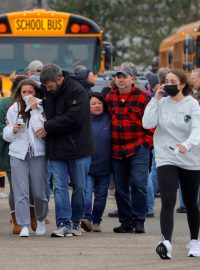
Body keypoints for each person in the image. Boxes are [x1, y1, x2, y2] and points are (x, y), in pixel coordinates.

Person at [142, 68, 200, 259]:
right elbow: (147, 123)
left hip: (190, 158)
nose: (168, 84)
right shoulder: (161, 102)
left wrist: (187, 144)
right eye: (166, 81)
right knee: (168, 200)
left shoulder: (192, 104)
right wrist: (155, 100)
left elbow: (197, 130)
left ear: (182, 85)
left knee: (191, 203)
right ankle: (166, 242)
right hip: (166, 156)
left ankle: (194, 241)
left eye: (172, 81)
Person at [37, 63, 93, 237]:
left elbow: (74, 118)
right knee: (60, 188)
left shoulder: (77, 91)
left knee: (79, 187)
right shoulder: (45, 90)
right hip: (55, 148)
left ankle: (76, 222)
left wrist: (48, 125)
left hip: (78, 148)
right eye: (45, 85)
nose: (47, 88)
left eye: (50, 85)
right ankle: (63, 223)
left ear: (60, 79)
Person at [106, 65, 153, 234]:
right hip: (117, 148)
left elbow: (151, 121)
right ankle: (125, 221)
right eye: (118, 77)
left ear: (132, 79)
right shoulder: (110, 97)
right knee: (120, 187)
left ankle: (139, 220)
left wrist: (147, 143)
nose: (120, 79)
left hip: (138, 146)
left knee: (139, 184)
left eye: (124, 77)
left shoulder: (143, 97)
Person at [3, 79, 49, 237]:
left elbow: (40, 131)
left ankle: (41, 218)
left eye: (30, 92)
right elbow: (7, 135)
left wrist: (35, 110)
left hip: (38, 153)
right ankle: (24, 225)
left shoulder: (42, 108)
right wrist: (13, 130)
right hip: (18, 154)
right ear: (19, 93)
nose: (27, 95)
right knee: (20, 192)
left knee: (38, 192)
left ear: (36, 93)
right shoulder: (13, 109)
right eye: (24, 92)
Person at [81, 92, 111, 233]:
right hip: (87, 167)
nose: (97, 106)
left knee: (101, 196)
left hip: (105, 167)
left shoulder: (109, 119)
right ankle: (86, 219)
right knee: (86, 195)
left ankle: (97, 221)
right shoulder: (83, 120)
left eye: (99, 103)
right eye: (93, 103)